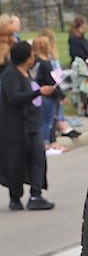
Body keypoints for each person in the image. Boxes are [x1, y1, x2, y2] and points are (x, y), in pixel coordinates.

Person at [1, 40, 57, 210]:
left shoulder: (27, 73)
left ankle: (36, 194)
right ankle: (15, 197)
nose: (34, 57)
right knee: (15, 162)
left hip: (32, 124)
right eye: (32, 54)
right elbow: (14, 98)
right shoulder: (10, 75)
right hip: (15, 127)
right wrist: (38, 92)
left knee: (38, 158)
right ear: (26, 58)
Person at [31, 34, 79, 146]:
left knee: (45, 120)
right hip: (48, 96)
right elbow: (52, 82)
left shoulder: (36, 62)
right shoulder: (45, 64)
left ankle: (50, 142)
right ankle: (47, 143)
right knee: (48, 121)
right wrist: (61, 96)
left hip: (39, 94)